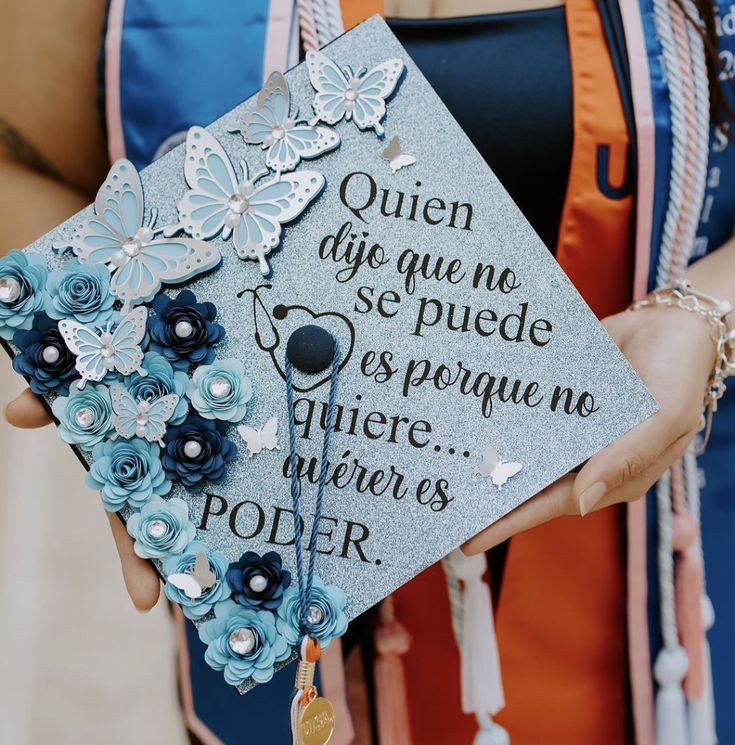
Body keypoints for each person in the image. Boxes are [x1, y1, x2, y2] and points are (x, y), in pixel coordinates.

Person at [1, 0, 734, 743]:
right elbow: (23, 158)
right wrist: (113, 374)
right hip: (276, 540)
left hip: (662, 573)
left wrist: (710, 309)